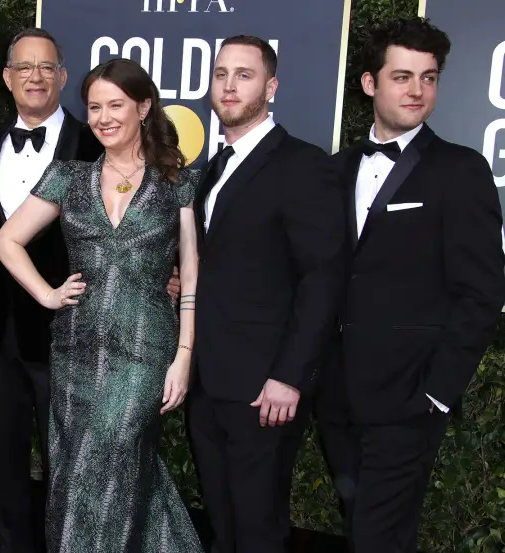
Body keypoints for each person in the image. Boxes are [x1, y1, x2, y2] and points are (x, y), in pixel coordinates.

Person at [0, 29, 178, 553]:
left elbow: (154, 226)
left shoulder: (98, 140)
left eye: (46, 67)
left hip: (77, 338)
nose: (35, 76)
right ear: (7, 78)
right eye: (24, 67)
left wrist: (165, 278)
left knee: (78, 467)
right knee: (3, 462)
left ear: (62, 76)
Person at [316, 18, 505, 553]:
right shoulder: (334, 170)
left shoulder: (460, 170)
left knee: (377, 537)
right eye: (402, 76)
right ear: (370, 83)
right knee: (361, 529)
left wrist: (435, 394)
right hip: (335, 394)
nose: (417, 90)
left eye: (429, 77)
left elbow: (483, 292)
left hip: (408, 399)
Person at [186, 36, 346, 553]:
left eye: (244, 75)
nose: (229, 86)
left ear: (271, 87)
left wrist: (289, 376)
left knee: (258, 527)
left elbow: (323, 277)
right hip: (209, 379)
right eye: (221, 74)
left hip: (264, 387)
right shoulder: (216, 166)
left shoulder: (302, 165)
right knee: (224, 521)